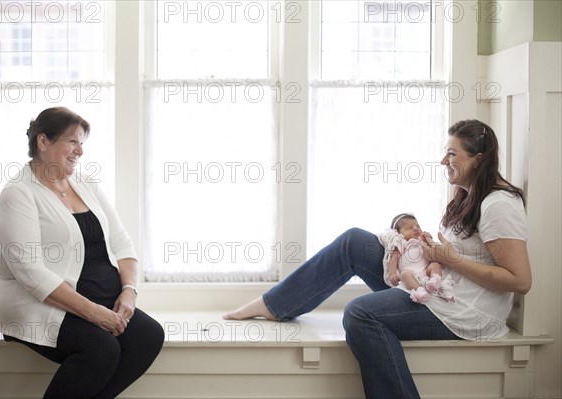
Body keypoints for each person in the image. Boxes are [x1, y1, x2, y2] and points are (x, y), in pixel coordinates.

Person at [223, 119, 532, 398]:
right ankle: (275, 305)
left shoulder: (498, 205)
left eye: (452, 154)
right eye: (445, 152)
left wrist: (450, 259)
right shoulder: (466, 194)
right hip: (434, 285)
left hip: (464, 313)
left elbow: (519, 280)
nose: (443, 161)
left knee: (360, 313)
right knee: (354, 241)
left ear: (478, 160)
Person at [0, 107, 165, 399]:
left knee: (148, 335)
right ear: (43, 142)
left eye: (82, 142)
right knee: (102, 348)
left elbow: (122, 243)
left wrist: (129, 290)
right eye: (72, 141)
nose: (80, 151)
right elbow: (32, 274)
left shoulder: (85, 184)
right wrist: (96, 314)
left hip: (99, 298)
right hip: (36, 305)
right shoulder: (18, 194)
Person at [380, 213, 454, 304]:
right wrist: (392, 273)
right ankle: (419, 291)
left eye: (418, 226)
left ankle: (436, 281)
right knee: (404, 275)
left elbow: (435, 254)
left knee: (436, 264)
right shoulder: (401, 244)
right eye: (409, 228)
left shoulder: (422, 241)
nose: (415, 228)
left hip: (427, 272)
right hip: (411, 275)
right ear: (399, 234)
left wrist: (429, 240)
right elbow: (393, 259)